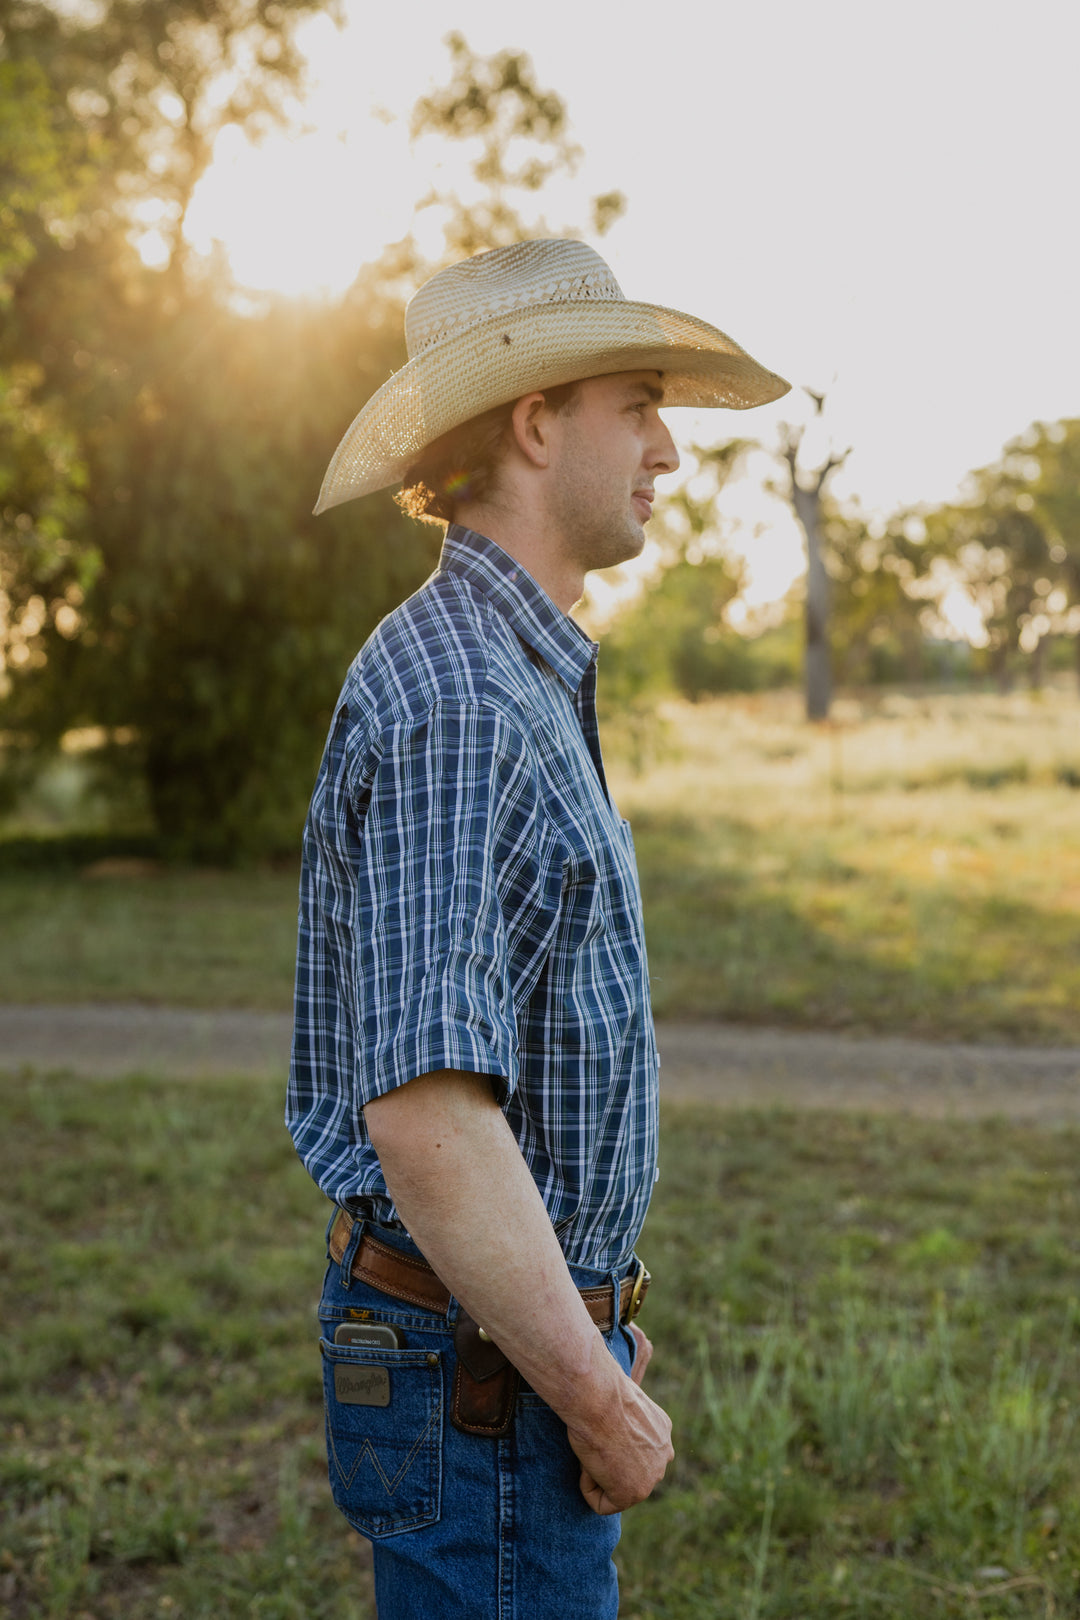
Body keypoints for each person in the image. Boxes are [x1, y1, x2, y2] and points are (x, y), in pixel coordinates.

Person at [286, 237, 788, 1619]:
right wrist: (593, 1392)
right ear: (533, 419)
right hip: (489, 1390)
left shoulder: (508, 668)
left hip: (496, 1365)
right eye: (638, 403)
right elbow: (430, 1117)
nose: (668, 451)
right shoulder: (464, 699)